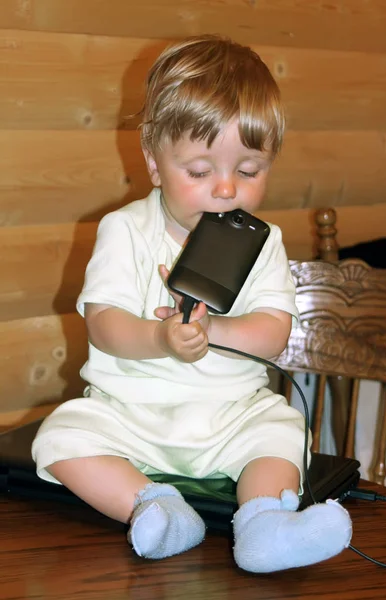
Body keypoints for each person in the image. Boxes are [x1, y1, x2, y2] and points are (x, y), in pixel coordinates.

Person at [32, 35, 352, 573]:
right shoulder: (125, 230)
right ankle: (155, 507)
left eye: (249, 171)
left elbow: (273, 334)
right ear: (154, 162)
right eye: (200, 172)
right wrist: (160, 338)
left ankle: (263, 527)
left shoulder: (264, 241)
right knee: (60, 436)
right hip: (130, 416)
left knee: (284, 430)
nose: (226, 189)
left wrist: (214, 331)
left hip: (229, 417)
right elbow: (104, 324)